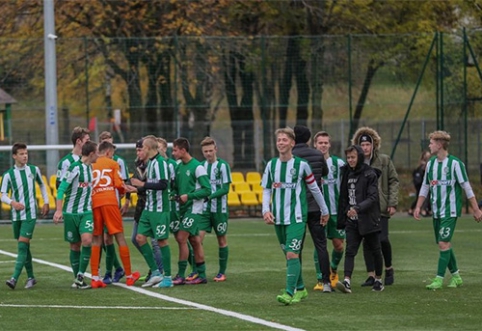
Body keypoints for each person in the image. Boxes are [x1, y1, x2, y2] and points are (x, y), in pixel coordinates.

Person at [261, 128, 329, 305]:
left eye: (284, 140)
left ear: (292, 143)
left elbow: (314, 188)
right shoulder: (271, 165)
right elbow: (267, 189)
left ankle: (289, 293)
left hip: (297, 218)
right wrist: (265, 211)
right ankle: (301, 289)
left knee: (292, 254)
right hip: (278, 218)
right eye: (279, 140)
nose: (281, 143)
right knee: (289, 255)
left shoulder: (302, 165)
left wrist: (325, 210)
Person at [413, 130, 482, 290]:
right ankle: (456, 277)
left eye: (431, 142)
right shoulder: (430, 164)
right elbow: (425, 186)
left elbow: (466, 187)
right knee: (445, 244)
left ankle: (439, 278)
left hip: (450, 211)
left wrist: (476, 209)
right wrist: (418, 206)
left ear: (439, 144)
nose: (429, 145)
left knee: (443, 243)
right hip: (436, 212)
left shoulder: (456, 164)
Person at [352, 127, 399, 286]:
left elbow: (393, 180)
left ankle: (389, 268)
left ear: (373, 145)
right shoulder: (355, 163)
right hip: (363, 208)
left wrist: (392, 202)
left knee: (382, 239)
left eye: (367, 144)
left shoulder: (384, 160)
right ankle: (371, 275)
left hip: (381, 207)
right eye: (362, 144)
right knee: (367, 241)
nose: (365, 147)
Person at [90, 141, 140, 288]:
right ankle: (130, 276)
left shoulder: (91, 164)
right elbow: (118, 184)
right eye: (112, 153)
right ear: (107, 152)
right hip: (110, 202)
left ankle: (94, 277)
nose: (112, 156)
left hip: (95, 202)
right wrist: (126, 190)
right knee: (119, 237)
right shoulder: (112, 164)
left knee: (97, 239)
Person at [336, 145, 384, 293]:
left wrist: (357, 208)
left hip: (369, 219)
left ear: (360, 157)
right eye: (348, 157)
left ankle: (378, 280)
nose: (350, 160)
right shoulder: (346, 173)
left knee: (375, 250)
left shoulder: (370, 174)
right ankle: (347, 281)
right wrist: (344, 214)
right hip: (352, 220)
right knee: (350, 251)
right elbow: (344, 197)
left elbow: (373, 197)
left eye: (353, 157)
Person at [1, 143, 49, 289]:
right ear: (14, 156)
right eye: (21, 154)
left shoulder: (33, 170)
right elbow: (2, 195)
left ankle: (14, 278)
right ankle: (31, 277)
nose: (25, 156)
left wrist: (46, 201)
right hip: (16, 215)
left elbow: (41, 185)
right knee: (24, 247)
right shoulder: (8, 175)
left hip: (30, 214)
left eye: (26, 153)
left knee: (22, 246)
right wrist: (12, 203)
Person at [128, 136, 173, 288]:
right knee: (139, 238)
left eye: (143, 148)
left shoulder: (161, 163)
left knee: (161, 241)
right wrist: (137, 188)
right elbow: (149, 185)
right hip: (149, 208)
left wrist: (142, 184)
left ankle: (167, 277)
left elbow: (163, 184)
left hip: (160, 210)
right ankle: (155, 272)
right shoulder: (151, 163)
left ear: (149, 148)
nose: (141, 150)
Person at [53, 140, 99, 289]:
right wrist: (59, 210)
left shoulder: (91, 168)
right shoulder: (74, 168)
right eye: (97, 152)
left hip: (86, 212)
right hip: (71, 213)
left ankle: (80, 276)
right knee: (74, 246)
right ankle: (77, 278)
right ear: (91, 154)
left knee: (87, 240)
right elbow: (61, 190)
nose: (98, 155)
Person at [292, 125, 331, 293]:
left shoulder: (291, 156)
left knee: (296, 246)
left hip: (298, 207)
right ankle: (326, 282)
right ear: (309, 139)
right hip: (316, 206)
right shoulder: (317, 155)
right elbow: (324, 172)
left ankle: (296, 282)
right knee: (321, 245)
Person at [170, 137, 211, 285]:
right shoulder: (179, 166)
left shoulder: (198, 167)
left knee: (181, 238)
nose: (173, 153)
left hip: (194, 209)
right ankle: (202, 274)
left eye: (175, 150)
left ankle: (180, 275)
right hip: (183, 208)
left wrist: (190, 196)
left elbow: (207, 190)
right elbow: (176, 187)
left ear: (183, 150)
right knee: (194, 240)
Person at [313, 131, 346, 289]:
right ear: (315, 145)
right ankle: (320, 279)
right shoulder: (312, 164)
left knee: (339, 246)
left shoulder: (339, 164)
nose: (323, 145)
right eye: (320, 143)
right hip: (318, 212)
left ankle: (332, 270)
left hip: (336, 211)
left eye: (326, 142)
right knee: (319, 244)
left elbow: (345, 186)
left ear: (330, 145)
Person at [98, 131, 129, 284]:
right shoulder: (96, 161)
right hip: (100, 203)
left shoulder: (118, 162)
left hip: (112, 204)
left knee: (110, 238)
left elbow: (124, 182)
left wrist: (126, 201)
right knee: (105, 239)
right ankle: (116, 269)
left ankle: (112, 272)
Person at [200, 136, 232, 282]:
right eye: (205, 151)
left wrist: (210, 196)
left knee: (221, 240)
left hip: (220, 210)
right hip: (204, 210)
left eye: (210, 150)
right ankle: (198, 271)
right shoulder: (201, 167)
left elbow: (225, 188)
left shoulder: (223, 166)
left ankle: (221, 272)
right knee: (196, 239)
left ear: (216, 150)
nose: (208, 153)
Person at [408, 150, 432, 216]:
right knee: (421, 196)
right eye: (426, 155)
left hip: (426, 182)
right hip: (420, 182)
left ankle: (428, 210)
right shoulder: (422, 164)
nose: (428, 157)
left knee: (428, 196)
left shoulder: (429, 163)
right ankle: (421, 210)